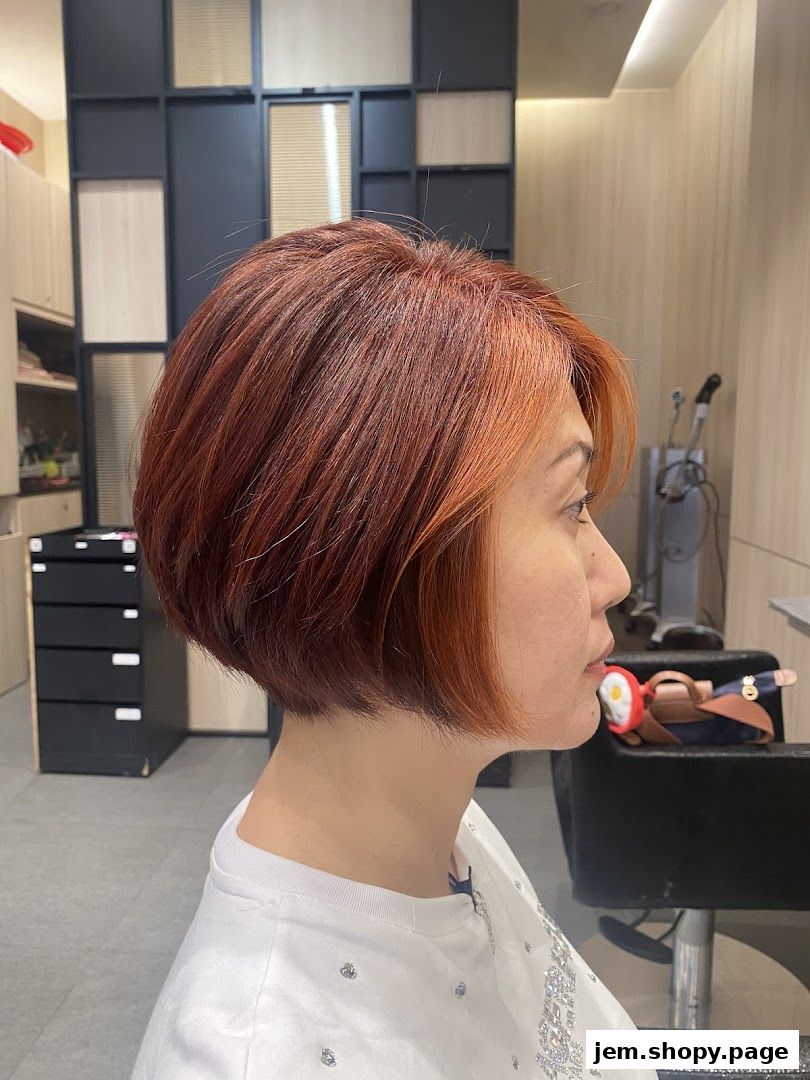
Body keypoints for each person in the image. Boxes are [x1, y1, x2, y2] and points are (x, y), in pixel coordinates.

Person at [129, 218, 656, 1079]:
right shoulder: (258, 1055)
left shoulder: (443, 831)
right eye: (571, 507)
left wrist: (770, 1055)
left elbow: (577, 1044)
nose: (616, 577)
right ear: (371, 561)